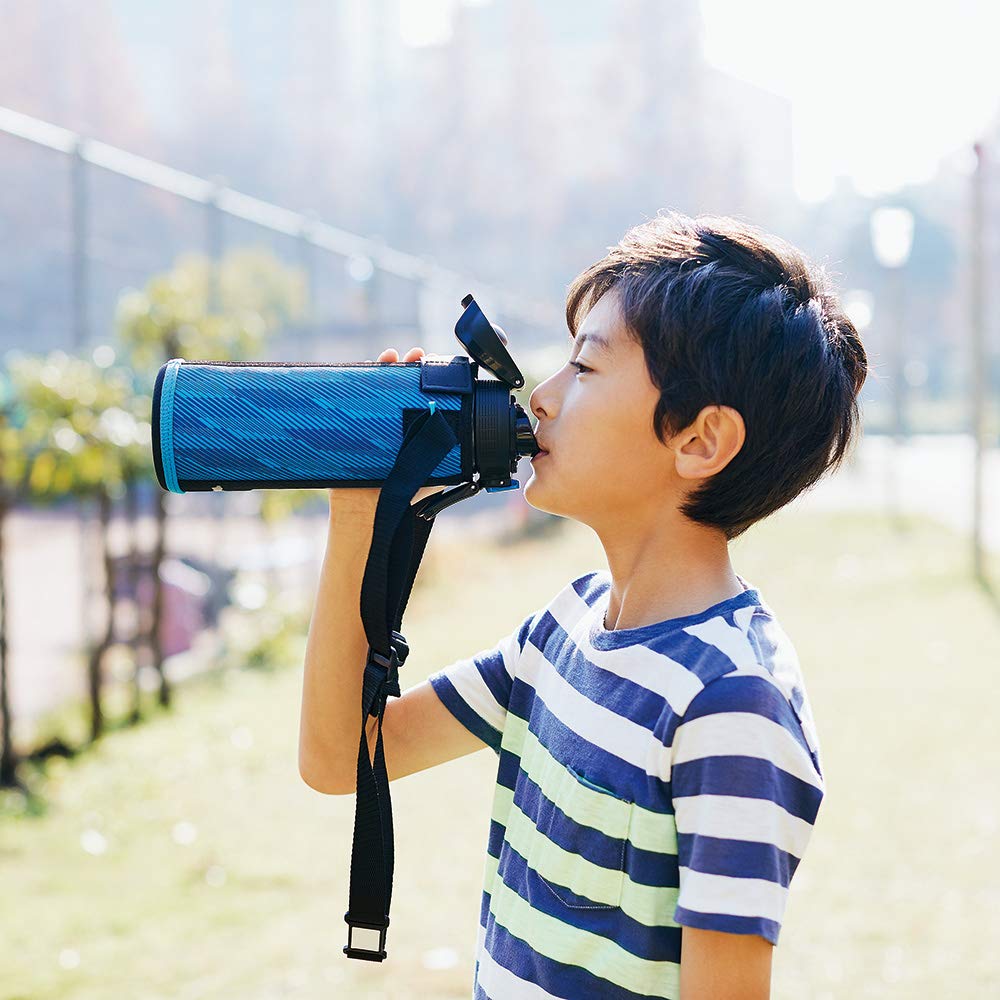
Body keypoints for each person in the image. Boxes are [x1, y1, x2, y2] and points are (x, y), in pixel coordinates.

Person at [298, 210, 868, 999]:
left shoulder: (732, 706)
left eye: (586, 367)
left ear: (699, 441)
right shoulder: (563, 629)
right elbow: (342, 759)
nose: (541, 397)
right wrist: (359, 512)